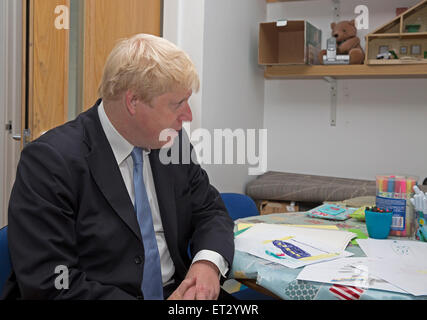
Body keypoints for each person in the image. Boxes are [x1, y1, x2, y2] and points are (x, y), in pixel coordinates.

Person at [2, 34, 235, 300]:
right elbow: (52, 281)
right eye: (177, 104)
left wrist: (207, 264)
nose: (188, 116)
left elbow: (210, 211)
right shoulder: (50, 162)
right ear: (133, 101)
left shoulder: (172, 142)